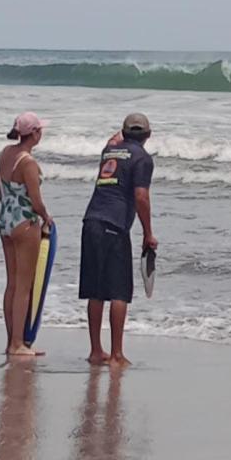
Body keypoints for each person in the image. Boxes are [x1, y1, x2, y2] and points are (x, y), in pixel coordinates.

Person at [79, 113, 158, 367]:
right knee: (119, 291)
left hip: (91, 221)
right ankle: (116, 355)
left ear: (124, 133)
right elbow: (141, 197)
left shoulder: (109, 151)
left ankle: (95, 351)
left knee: (95, 290)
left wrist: (119, 136)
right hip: (114, 226)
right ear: (148, 135)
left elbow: (113, 140)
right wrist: (148, 233)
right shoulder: (142, 158)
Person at [0, 112, 53, 356]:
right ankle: (18, 344)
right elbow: (36, 202)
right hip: (24, 223)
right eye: (40, 129)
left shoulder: (5, 154)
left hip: (5, 219)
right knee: (24, 286)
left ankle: (11, 341)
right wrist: (46, 217)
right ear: (35, 134)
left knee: (11, 284)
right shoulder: (28, 162)